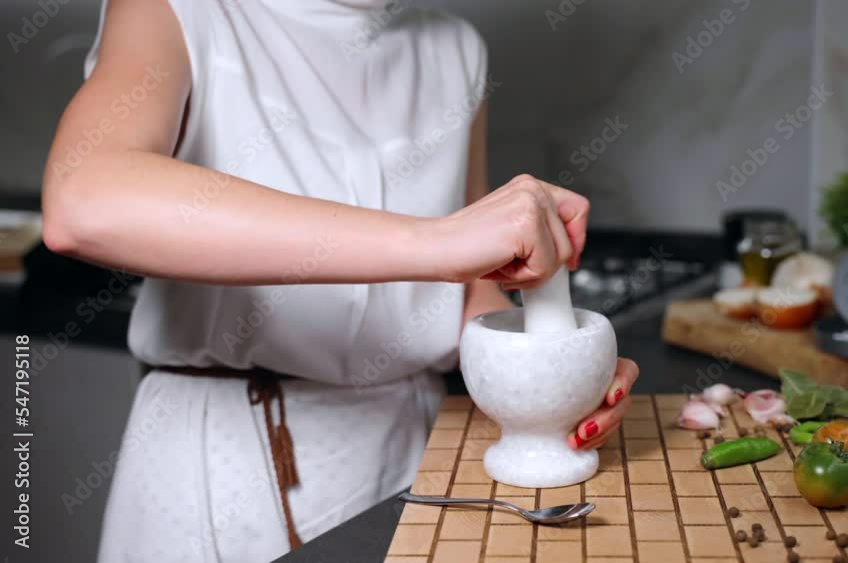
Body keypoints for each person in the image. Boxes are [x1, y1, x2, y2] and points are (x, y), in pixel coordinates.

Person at [42, 0, 640, 561]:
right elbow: (83, 200)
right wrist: (432, 242)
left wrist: (549, 378)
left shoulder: (456, 49)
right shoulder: (176, 11)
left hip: (419, 444)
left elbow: (469, 290)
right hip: (228, 464)